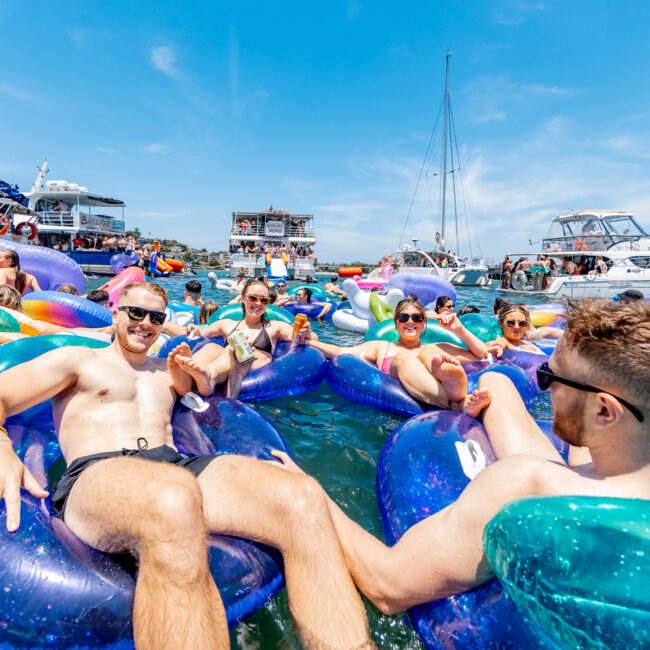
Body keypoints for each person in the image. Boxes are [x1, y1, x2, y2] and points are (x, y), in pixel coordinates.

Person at [0, 282, 372, 649]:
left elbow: (212, 384)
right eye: (135, 312)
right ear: (115, 314)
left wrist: (200, 373)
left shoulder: (167, 372)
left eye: (156, 316)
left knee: (301, 495)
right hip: (99, 472)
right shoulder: (79, 360)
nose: (145, 322)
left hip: (174, 464)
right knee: (171, 497)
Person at [272, 299, 650, 618]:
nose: (545, 385)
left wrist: (307, 492)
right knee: (496, 382)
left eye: (552, 377)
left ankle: (451, 399)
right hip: (598, 475)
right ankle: (461, 399)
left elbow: (387, 586)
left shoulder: (523, 484)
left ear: (605, 412)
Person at [308, 297, 492, 417]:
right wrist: (308, 341)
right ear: (396, 324)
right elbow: (340, 352)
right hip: (410, 402)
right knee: (404, 359)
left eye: (416, 318)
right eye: (404, 318)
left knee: (431, 354)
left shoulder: (436, 348)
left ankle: (450, 382)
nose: (410, 322)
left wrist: (458, 329)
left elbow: (484, 356)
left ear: (423, 323)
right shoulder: (382, 347)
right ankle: (458, 404)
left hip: (437, 398)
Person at [176, 280, 319, 399]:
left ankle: (209, 375)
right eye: (253, 298)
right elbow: (199, 331)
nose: (258, 303)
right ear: (243, 298)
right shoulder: (226, 324)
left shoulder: (275, 327)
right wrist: (192, 329)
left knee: (234, 349)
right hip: (225, 367)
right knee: (211, 348)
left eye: (263, 300)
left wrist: (306, 332)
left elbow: (312, 338)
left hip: (251, 370)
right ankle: (186, 377)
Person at [490, 304, 561, 353]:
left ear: (527, 325)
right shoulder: (505, 342)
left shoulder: (527, 343)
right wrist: (498, 346)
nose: (517, 327)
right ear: (500, 324)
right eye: (511, 323)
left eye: (522, 323)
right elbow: (499, 343)